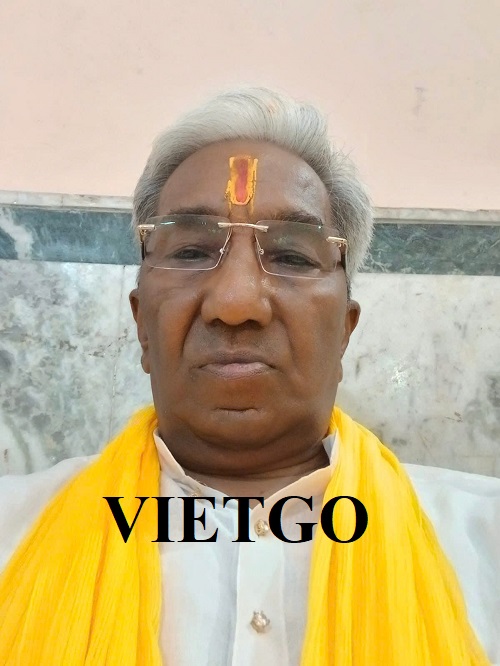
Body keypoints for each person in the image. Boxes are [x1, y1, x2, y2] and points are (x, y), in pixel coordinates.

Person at [0, 87, 498, 666]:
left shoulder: (482, 540)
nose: (236, 301)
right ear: (141, 324)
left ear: (345, 330)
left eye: (292, 256)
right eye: (191, 251)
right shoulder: (13, 531)